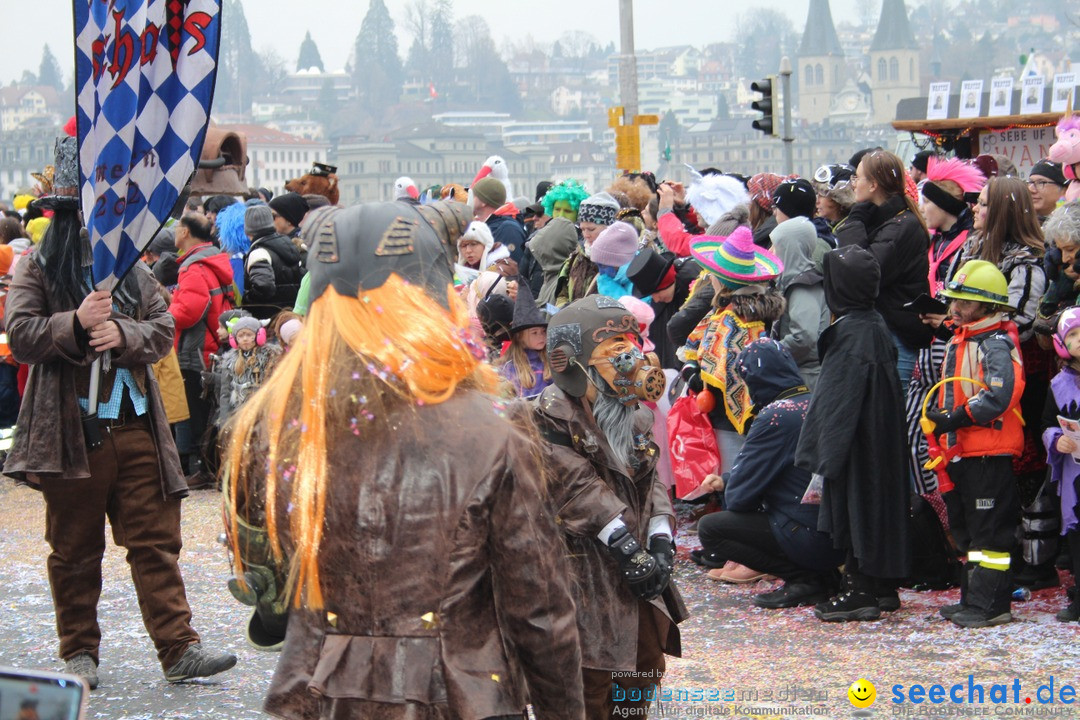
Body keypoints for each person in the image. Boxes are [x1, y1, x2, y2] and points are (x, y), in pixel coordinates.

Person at [223, 198, 585, 719]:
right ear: (433, 299)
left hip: (317, 694)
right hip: (459, 694)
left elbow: (269, 604)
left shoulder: (271, 426)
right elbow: (541, 612)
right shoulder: (492, 428)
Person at [2, 136, 235, 689]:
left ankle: (179, 649)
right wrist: (77, 323)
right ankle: (79, 652)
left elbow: (159, 327)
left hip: (134, 428)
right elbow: (21, 334)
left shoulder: (132, 267)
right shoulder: (37, 267)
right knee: (74, 551)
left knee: (156, 542)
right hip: (71, 434)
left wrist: (122, 332)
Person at [535, 295, 686, 718]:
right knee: (587, 682)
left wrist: (659, 539)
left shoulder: (632, 415)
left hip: (636, 582)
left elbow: (650, 477)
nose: (631, 361)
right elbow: (576, 488)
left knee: (641, 673)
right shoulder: (546, 419)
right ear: (571, 362)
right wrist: (625, 548)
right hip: (581, 579)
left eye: (630, 346)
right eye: (612, 351)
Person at [795, 245, 912, 621]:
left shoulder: (852, 336)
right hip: (879, 437)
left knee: (857, 506)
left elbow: (835, 403)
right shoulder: (872, 324)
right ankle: (881, 585)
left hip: (858, 442)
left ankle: (858, 589)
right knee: (879, 504)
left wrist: (822, 453)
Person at [696, 339, 843, 606]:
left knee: (711, 530)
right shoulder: (818, 400)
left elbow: (741, 496)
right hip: (839, 531)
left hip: (809, 536)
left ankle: (806, 579)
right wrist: (727, 482)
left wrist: (730, 485)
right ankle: (819, 574)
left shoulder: (777, 416)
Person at [929, 260, 1025, 627]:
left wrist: (957, 417)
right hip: (964, 450)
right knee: (969, 527)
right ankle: (974, 599)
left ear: (987, 306)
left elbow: (1000, 395)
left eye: (965, 301)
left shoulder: (995, 343)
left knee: (990, 531)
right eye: (955, 299)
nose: (955, 308)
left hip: (989, 450)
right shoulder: (964, 337)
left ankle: (991, 606)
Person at [680, 227, 786, 471]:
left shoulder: (730, 318)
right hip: (764, 411)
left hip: (727, 418)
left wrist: (693, 375)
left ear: (722, 280)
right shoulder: (760, 311)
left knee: (733, 479)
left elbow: (722, 368)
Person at [836, 150, 933, 393]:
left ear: (874, 185)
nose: (853, 184)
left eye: (857, 178)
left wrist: (854, 223)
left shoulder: (902, 225)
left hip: (896, 333)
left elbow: (863, 272)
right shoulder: (884, 221)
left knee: (891, 416)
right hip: (881, 330)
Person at [168, 214, 234, 486]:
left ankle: (199, 468)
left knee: (192, 409)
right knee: (208, 407)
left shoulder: (192, 267)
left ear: (185, 232)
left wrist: (164, 313)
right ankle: (208, 466)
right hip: (211, 345)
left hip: (194, 347)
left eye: (176, 229)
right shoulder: (215, 260)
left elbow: (189, 310)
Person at [1043, 307, 1080, 621]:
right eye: (1073, 335)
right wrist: (1057, 440)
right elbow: (1045, 423)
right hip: (1076, 471)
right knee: (1078, 535)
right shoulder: (1059, 384)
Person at [769, 216, 830, 390]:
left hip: (806, 378)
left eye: (776, 245)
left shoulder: (803, 287)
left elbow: (804, 336)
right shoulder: (791, 282)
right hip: (797, 372)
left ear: (791, 248)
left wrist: (770, 352)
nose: (771, 251)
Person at [627, 247, 702, 370]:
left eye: (656, 293)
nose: (655, 300)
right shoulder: (659, 307)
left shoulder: (695, 282)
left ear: (666, 283)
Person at [242, 204, 303, 320]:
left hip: (267, 319)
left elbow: (264, 286)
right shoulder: (288, 245)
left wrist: (246, 301)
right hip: (290, 317)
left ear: (248, 229)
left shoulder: (259, 253)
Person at [497, 280, 549, 398]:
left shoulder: (550, 362)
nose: (541, 336)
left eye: (543, 331)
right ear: (520, 337)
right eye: (534, 333)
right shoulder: (509, 367)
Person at [472, 176, 528, 264]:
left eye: (473, 196)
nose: (470, 199)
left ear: (483, 202)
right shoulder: (486, 226)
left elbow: (512, 270)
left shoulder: (508, 229)